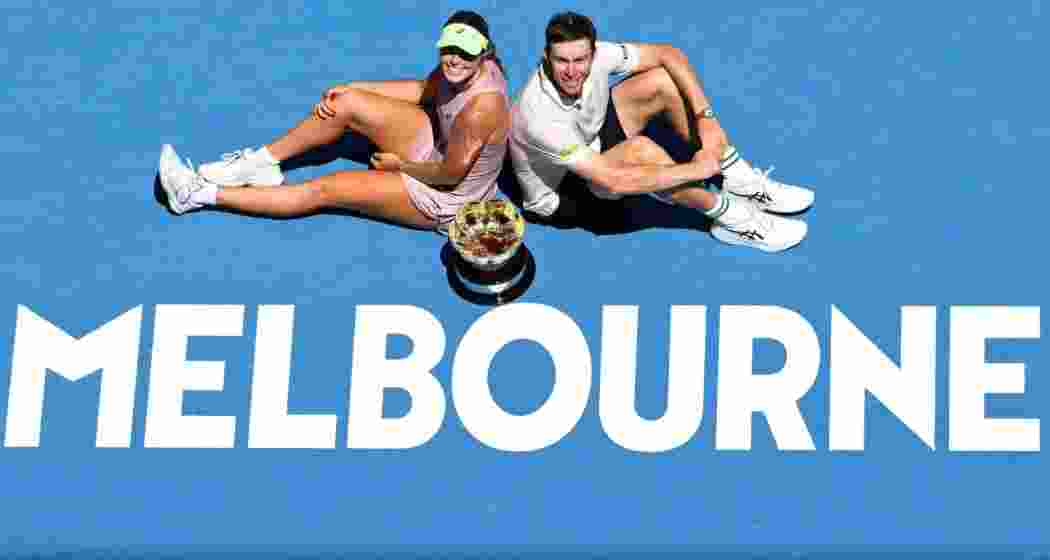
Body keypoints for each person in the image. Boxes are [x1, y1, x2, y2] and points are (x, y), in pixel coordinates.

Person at [157, 10, 510, 233]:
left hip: (445, 194)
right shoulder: (457, 66)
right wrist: (354, 88)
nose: (454, 60)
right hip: (434, 146)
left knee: (322, 190)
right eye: (449, 49)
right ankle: (257, 164)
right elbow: (423, 89)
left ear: (485, 54)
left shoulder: (481, 109)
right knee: (345, 103)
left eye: (465, 53)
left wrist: (399, 165)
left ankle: (196, 194)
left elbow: (450, 174)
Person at [510, 12, 815, 252]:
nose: (572, 71)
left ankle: (740, 178)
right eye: (561, 60)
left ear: (592, 52)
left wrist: (704, 116)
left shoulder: (597, 55)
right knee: (641, 151)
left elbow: (668, 54)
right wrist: (695, 168)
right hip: (565, 193)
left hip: (591, 137)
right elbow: (612, 180)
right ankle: (735, 219)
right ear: (546, 57)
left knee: (660, 81)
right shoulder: (539, 116)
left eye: (580, 60)